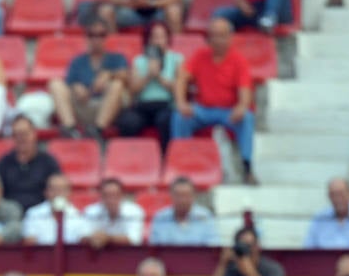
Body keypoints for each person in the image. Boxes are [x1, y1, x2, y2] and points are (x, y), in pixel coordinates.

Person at [172, 18, 258, 185]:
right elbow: (182, 78)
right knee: (180, 116)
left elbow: (245, 91)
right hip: (203, 109)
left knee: (247, 118)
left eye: (222, 36)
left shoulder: (239, 60)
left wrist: (241, 107)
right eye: (214, 36)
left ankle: (247, 167)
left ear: (230, 38)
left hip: (228, 111)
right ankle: (181, 165)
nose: (218, 40)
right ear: (209, 39)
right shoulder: (200, 55)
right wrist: (181, 102)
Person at [51, 21, 129, 139]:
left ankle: (97, 130)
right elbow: (69, 83)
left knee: (117, 85)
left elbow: (127, 76)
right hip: (83, 105)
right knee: (55, 84)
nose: (96, 39)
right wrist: (76, 87)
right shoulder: (77, 61)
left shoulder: (117, 58)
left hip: (106, 107)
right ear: (87, 37)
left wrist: (109, 74)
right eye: (92, 35)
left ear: (106, 37)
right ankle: (70, 129)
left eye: (101, 35)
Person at [115, 20, 182, 149]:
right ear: (148, 40)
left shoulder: (176, 59)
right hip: (143, 106)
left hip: (166, 105)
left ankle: (166, 158)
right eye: (154, 37)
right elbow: (133, 90)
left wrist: (159, 77)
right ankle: (131, 160)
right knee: (127, 121)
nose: (158, 41)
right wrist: (148, 76)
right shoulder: (139, 60)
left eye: (161, 37)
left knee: (166, 120)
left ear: (167, 39)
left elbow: (178, 88)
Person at [0, 116, 61, 214]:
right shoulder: (4, 163)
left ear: (34, 134)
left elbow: (57, 190)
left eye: (25, 134)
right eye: (17, 135)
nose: (21, 138)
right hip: (12, 216)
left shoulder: (48, 162)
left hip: (41, 216)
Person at [304, 178, 349, 249]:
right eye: (333, 195)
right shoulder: (319, 219)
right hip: (324, 260)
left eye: (341, 194)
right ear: (329, 197)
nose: (337, 199)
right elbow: (308, 250)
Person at [148, 176, 220, 245]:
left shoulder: (205, 217)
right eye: (178, 195)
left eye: (186, 195)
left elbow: (213, 247)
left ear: (193, 195)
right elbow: (154, 250)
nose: (182, 200)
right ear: (171, 195)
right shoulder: (160, 218)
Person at [22, 173, 90, 246]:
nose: (57, 193)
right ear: (46, 192)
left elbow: (84, 241)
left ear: (70, 193)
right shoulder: (33, 214)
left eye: (62, 189)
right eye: (53, 189)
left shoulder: (79, 216)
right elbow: (29, 241)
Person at [84, 177, 145, 247]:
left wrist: (107, 238)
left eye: (114, 195)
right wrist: (93, 237)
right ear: (101, 196)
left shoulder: (134, 211)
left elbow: (134, 239)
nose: (110, 200)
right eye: (106, 195)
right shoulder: (91, 211)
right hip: (97, 254)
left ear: (122, 195)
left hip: (125, 254)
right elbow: (82, 236)